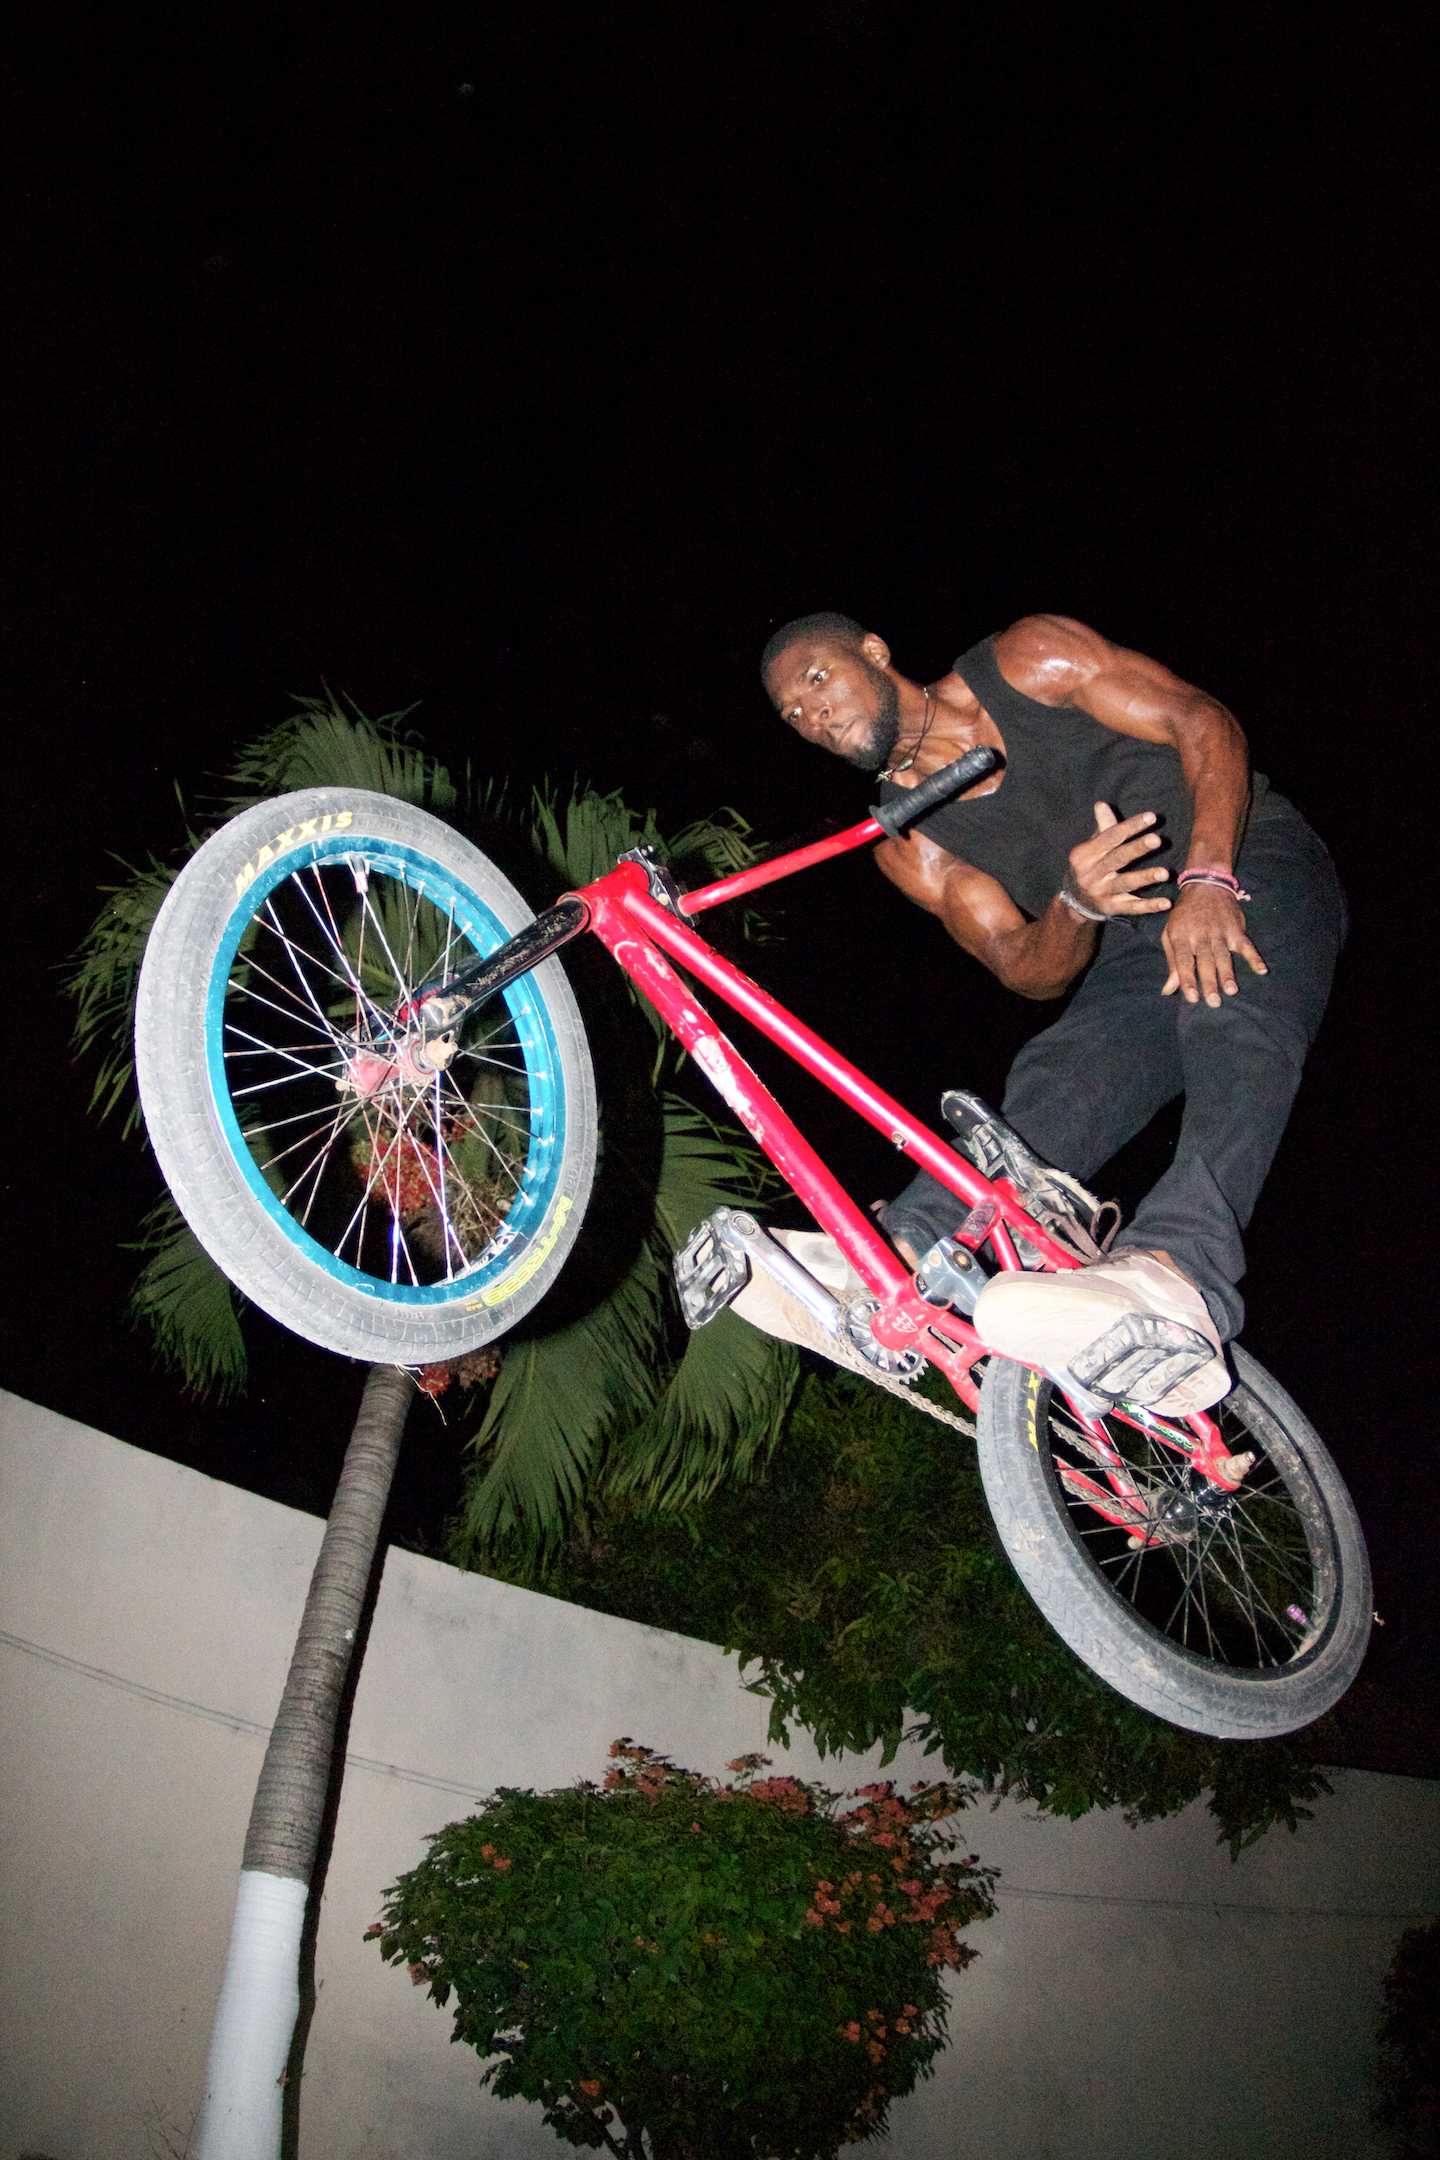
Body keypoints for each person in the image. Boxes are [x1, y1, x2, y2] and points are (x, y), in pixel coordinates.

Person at [760, 610, 1346, 1414]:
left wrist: (1207, 880)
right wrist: (1073, 903)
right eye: (792, 715)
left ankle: (1177, 1270)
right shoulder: (911, 844)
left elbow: (1201, 720)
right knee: (1057, 1079)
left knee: (1228, 1013)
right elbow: (1025, 970)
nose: (812, 716)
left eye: (818, 681)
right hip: (1134, 945)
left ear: (874, 651)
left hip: (1249, 863)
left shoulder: (1029, 663)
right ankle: (896, 1256)